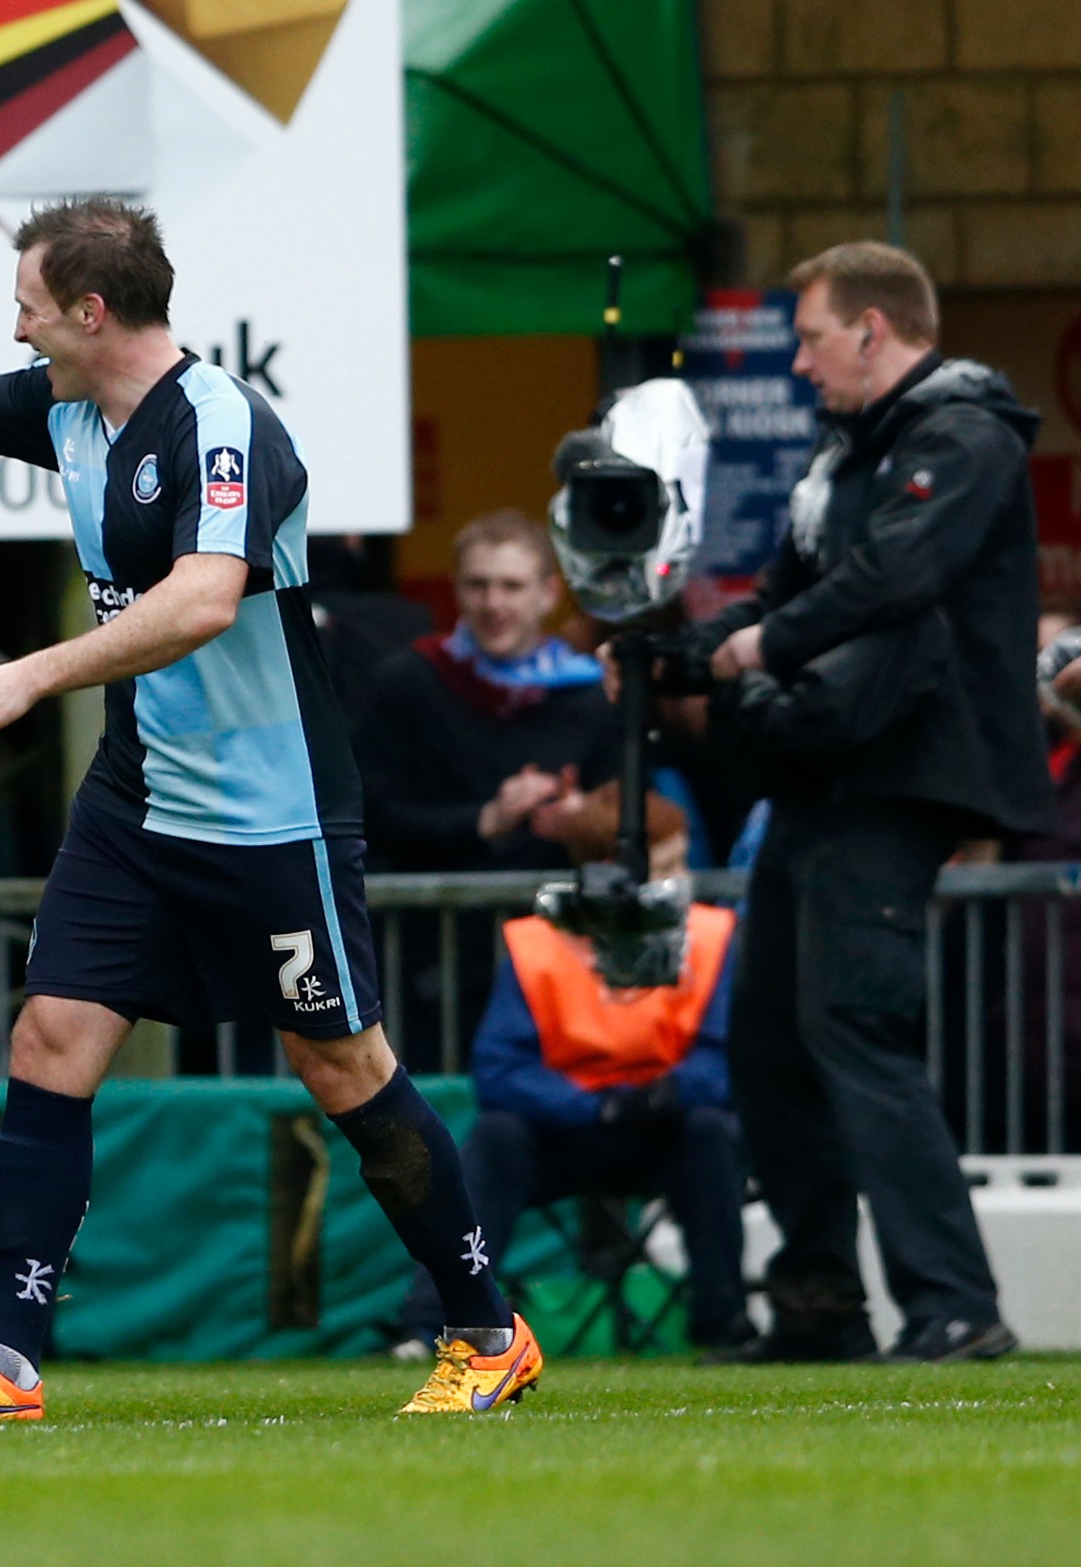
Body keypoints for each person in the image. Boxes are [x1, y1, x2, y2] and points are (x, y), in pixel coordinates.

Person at [0, 196, 542, 1420]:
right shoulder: (71, 407)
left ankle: (484, 1328)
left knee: (341, 1064)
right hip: (139, 798)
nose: (15, 325)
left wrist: (30, 671)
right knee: (49, 1042)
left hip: (271, 810)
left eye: (28, 305)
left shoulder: (223, 425)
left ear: (90, 311)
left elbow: (203, 598)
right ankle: (11, 1368)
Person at [697, 241, 1048, 1364]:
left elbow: (896, 573)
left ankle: (953, 1303)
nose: (798, 364)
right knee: (767, 1040)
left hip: (902, 772)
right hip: (830, 764)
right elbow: (784, 589)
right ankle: (816, 1302)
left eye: (807, 337)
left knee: (851, 1024)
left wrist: (758, 645)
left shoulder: (964, 434)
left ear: (872, 329)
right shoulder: (846, 454)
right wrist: (677, 656)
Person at [391, 789, 753, 1353]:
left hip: (667, 1128)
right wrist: (595, 1108)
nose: (684, 882)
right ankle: (429, 1326)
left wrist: (664, 1095)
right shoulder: (541, 945)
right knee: (495, 1138)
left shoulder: (709, 938)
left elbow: (725, 1055)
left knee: (712, 1131)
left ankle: (724, 1329)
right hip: (564, 1132)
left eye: (684, 863)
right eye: (667, 867)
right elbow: (500, 1069)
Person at [356, 510, 619, 874]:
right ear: (456, 588)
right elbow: (369, 813)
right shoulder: (408, 681)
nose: (493, 604)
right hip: (435, 919)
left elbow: (635, 812)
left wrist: (583, 816)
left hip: (556, 921)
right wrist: (486, 819)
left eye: (512, 586)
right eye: (477, 585)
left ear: (549, 594)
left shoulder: (593, 694)